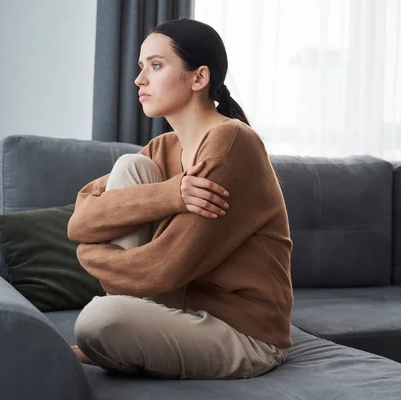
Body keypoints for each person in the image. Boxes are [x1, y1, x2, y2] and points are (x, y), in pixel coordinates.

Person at [68, 18, 293, 380]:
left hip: (245, 336)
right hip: (176, 309)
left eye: (156, 66)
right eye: (141, 67)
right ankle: (120, 345)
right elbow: (80, 222)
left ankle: (115, 344)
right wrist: (173, 194)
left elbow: (165, 267)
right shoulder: (163, 148)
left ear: (198, 78)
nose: (140, 80)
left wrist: (88, 253)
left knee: (98, 320)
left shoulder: (232, 142)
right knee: (132, 166)